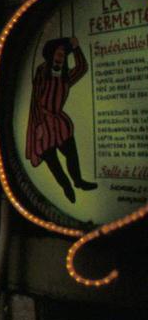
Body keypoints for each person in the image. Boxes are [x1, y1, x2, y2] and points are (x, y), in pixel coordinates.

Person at [25, 36, 97, 203]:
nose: (60, 57)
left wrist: (77, 48)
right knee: (52, 161)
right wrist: (38, 125)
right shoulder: (42, 71)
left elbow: (82, 67)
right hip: (43, 122)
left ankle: (78, 181)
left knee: (71, 153)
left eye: (63, 55)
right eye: (58, 53)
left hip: (59, 122)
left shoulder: (66, 76)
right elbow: (35, 100)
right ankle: (66, 186)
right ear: (51, 55)